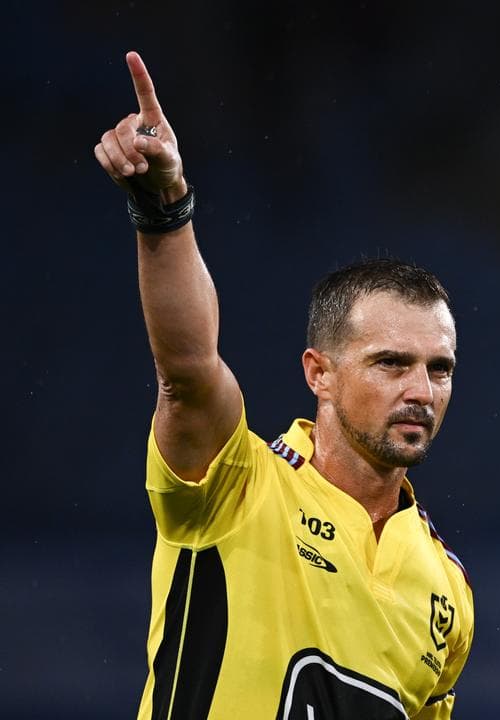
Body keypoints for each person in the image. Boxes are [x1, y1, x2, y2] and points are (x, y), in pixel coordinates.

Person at [93, 51, 472, 719]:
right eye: (391, 363)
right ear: (318, 373)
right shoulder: (235, 485)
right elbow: (187, 370)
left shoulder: (449, 591)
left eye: (438, 368)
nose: (422, 390)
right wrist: (164, 211)